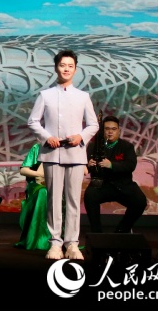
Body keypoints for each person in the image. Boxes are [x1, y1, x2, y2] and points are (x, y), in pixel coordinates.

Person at [27, 49, 98, 261]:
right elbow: (33, 121)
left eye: (70, 66)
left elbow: (93, 124)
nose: (66, 69)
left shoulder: (83, 96)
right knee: (54, 200)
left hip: (76, 153)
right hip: (52, 153)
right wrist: (47, 137)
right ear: (56, 67)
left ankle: (72, 243)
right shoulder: (45, 95)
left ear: (75, 69)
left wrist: (81, 136)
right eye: (62, 65)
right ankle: (55, 243)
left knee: (74, 200)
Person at [84, 115, 148, 234]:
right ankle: (96, 233)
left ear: (119, 131)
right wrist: (89, 165)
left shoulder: (127, 146)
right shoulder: (93, 146)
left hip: (122, 185)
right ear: (102, 131)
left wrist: (111, 165)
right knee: (90, 196)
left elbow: (130, 165)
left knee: (140, 201)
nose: (110, 132)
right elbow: (86, 168)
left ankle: (122, 230)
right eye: (107, 129)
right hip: (101, 185)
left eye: (113, 129)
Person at [13, 142, 51, 251]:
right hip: (37, 185)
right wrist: (40, 174)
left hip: (56, 185)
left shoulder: (64, 148)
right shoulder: (38, 147)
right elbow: (23, 170)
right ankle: (38, 238)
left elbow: (84, 170)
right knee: (43, 192)